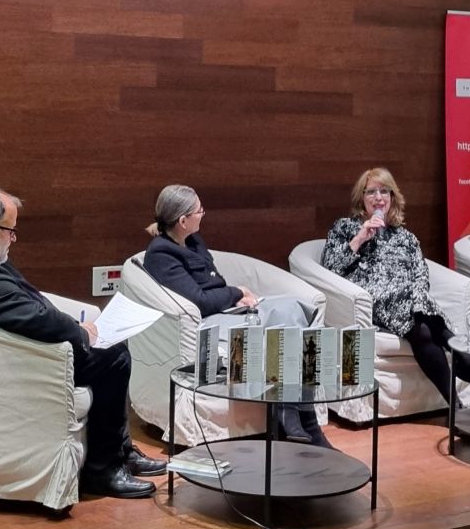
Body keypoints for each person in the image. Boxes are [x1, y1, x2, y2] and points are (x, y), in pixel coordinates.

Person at [0, 184, 165, 499]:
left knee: (111, 348)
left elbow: (27, 304)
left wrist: (74, 325)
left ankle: (121, 450)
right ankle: (103, 469)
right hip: (20, 363)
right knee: (115, 357)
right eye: (10, 231)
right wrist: (80, 332)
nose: (13, 238)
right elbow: (34, 319)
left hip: (13, 348)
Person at [142, 185, 333, 450]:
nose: (203, 214)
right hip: (207, 322)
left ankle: (299, 415)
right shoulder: (161, 254)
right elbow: (200, 300)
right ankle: (296, 419)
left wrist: (235, 297)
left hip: (227, 310)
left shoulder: (194, 241)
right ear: (183, 221)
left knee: (292, 309)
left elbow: (213, 281)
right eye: (199, 210)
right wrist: (236, 293)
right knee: (283, 325)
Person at [322, 167, 470, 405]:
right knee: (417, 308)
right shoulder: (345, 228)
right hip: (372, 296)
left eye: (384, 191)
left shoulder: (406, 237)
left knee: (422, 330)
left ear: (392, 198)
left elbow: (421, 275)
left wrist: (417, 293)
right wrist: (360, 238)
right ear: (362, 198)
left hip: (410, 302)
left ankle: (456, 407)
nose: (378, 197)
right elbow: (329, 268)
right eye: (371, 192)